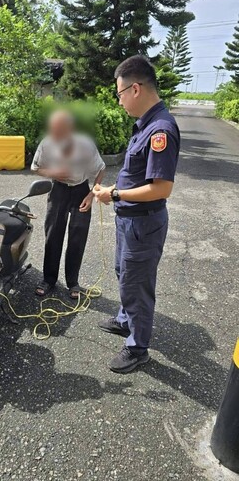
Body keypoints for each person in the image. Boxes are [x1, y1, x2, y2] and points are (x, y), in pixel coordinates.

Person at [93, 55, 181, 374]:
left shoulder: (161, 130)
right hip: (129, 220)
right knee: (123, 271)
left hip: (143, 223)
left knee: (137, 284)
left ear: (135, 88)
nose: (119, 102)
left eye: (119, 94)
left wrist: (114, 193)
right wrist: (117, 188)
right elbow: (137, 175)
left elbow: (160, 188)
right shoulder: (145, 126)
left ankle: (137, 347)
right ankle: (124, 320)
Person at [31, 109, 105, 299]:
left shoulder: (85, 144)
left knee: (77, 238)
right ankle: (48, 280)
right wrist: (53, 173)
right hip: (58, 191)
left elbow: (100, 169)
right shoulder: (47, 144)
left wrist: (91, 195)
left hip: (81, 189)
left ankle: (73, 282)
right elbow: (35, 167)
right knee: (53, 234)